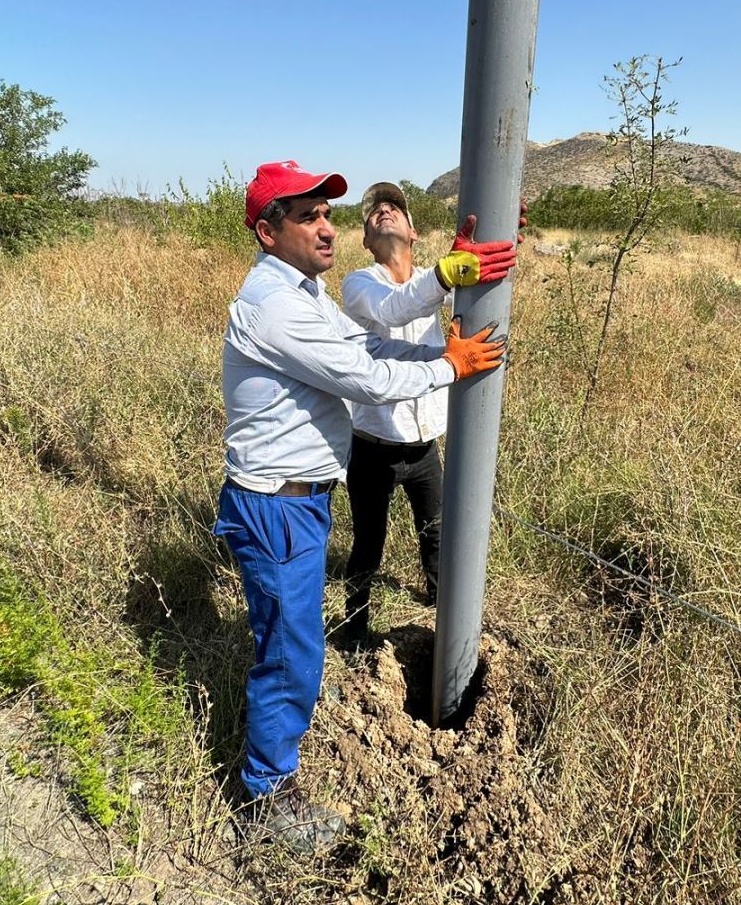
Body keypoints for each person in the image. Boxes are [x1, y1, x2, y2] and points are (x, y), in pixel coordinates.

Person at [213, 160, 510, 853]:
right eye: (308, 215)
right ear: (267, 230)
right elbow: (364, 374)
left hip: (300, 502)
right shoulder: (276, 304)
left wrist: (442, 330)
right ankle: (265, 802)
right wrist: (450, 366)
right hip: (277, 505)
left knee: (294, 639)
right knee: (287, 649)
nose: (327, 226)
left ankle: (288, 734)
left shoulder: (307, 293)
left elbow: (369, 338)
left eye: (327, 213)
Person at [337, 182, 517, 647]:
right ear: (365, 242)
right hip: (371, 448)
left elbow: (473, 293)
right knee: (367, 548)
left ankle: (442, 615)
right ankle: (354, 633)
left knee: (435, 536)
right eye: (375, 211)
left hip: (423, 448)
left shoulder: (435, 283)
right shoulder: (361, 284)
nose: (384, 211)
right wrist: (443, 276)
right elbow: (394, 310)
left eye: (394, 207)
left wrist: (502, 232)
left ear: (414, 233)